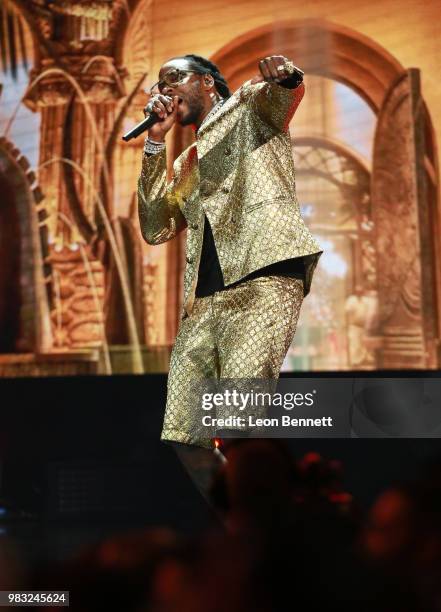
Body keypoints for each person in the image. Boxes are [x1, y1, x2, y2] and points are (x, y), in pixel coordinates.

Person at [138, 53, 322, 450]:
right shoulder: (187, 163)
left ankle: (263, 506)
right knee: (185, 433)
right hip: (202, 302)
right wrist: (155, 142)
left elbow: (282, 98)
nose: (166, 88)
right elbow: (156, 228)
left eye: (175, 77)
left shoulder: (249, 106)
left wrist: (286, 75)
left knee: (239, 419)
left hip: (262, 280)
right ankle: (223, 510)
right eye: (160, 84)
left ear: (207, 82)